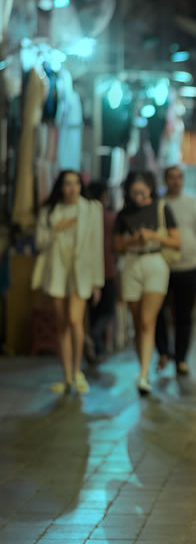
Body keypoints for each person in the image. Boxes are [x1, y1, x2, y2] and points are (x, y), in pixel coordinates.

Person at [34, 169, 104, 395]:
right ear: (60, 186)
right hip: (57, 270)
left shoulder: (91, 209)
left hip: (80, 271)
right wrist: (57, 229)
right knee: (61, 323)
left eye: (76, 183)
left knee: (75, 320)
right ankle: (66, 376)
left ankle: (77, 371)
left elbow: (96, 246)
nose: (72, 188)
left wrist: (97, 282)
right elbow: (40, 242)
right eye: (67, 183)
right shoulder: (49, 210)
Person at [113, 170, 180, 395]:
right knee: (136, 320)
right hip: (132, 263)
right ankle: (143, 367)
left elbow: (176, 241)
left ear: (150, 189)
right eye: (134, 192)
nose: (138, 195)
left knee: (146, 320)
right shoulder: (124, 214)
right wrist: (134, 239)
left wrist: (153, 237)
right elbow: (117, 246)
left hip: (155, 262)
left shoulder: (162, 208)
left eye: (142, 191)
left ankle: (143, 374)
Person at [155, 165, 196, 376]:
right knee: (158, 313)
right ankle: (163, 351)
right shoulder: (158, 204)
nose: (176, 181)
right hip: (162, 266)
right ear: (165, 180)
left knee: (184, 316)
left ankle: (181, 359)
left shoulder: (193, 204)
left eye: (179, 177)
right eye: (171, 177)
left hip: (188, 266)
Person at [85, 180, 117, 362]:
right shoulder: (110, 217)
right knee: (107, 311)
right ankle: (96, 336)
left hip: (89, 271)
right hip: (108, 269)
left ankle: (96, 344)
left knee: (94, 311)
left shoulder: (86, 215)